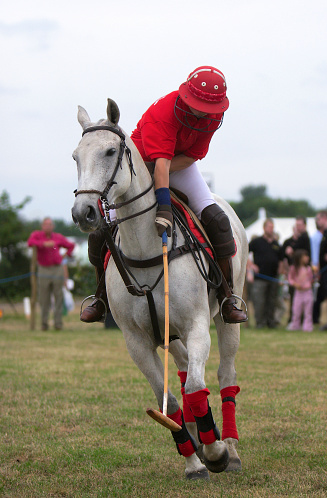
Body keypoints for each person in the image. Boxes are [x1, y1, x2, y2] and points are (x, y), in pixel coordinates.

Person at [80, 66, 247, 324]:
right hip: (142, 164)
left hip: (179, 163)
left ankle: (226, 296)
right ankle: (100, 296)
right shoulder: (164, 113)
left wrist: (166, 184)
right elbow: (158, 164)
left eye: (208, 107)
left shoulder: (213, 116)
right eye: (198, 104)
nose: (202, 111)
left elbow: (191, 156)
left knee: (218, 220)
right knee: (103, 226)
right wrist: (164, 208)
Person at [27, 217, 75, 330]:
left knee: (58, 296)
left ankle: (58, 324)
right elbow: (30, 243)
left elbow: (71, 245)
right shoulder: (37, 235)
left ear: (52, 226)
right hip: (43, 269)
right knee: (44, 298)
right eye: (45, 224)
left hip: (57, 269)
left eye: (49, 224)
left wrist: (65, 255)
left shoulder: (58, 237)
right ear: (42, 226)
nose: (47, 226)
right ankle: (44, 324)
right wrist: (44, 244)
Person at [248, 218, 284, 328]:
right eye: (269, 227)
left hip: (273, 277)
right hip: (260, 278)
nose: (271, 229)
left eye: (272, 227)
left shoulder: (276, 244)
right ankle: (260, 322)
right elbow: (245, 252)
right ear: (264, 228)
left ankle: (271, 322)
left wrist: (280, 269)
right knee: (259, 301)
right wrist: (251, 266)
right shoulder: (257, 242)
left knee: (272, 301)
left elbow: (281, 259)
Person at [281, 216, 311, 324]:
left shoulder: (305, 238)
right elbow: (283, 256)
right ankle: (294, 320)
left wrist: (292, 250)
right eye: (296, 225)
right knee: (294, 298)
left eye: (300, 225)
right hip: (293, 272)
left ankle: (302, 321)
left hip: (303, 275)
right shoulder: (289, 241)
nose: (298, 227)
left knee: (306, 301)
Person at [287, 249, 314, 332]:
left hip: (308, 291)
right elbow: (290, 279)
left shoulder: (309, 269)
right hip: (298, 292)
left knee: (308, 310)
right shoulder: (293, 268)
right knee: (296, 310)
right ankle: (295, 325)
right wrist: (295, 284)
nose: (307, 258)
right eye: (305, 256)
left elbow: (311, 279)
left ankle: (307, 327)